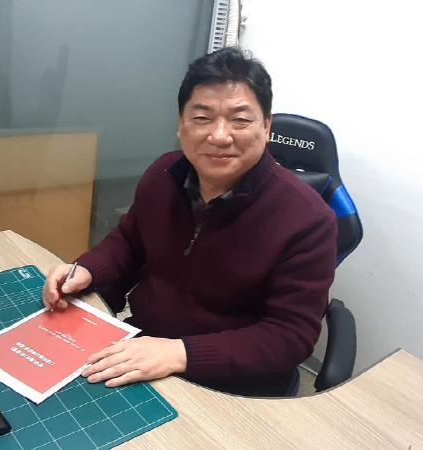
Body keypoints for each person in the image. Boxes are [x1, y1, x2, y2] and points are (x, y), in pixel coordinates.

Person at [42, 47, 337, 396]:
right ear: (181, 125)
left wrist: (179, 353)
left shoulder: (308, 219)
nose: (220, 136)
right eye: (202, 118)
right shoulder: (164, 173)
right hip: (144, 348)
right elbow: (130, 241)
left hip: (231, 384)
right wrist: (87, 270)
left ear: (266, 126)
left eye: (240, 120)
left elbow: (289, 337)